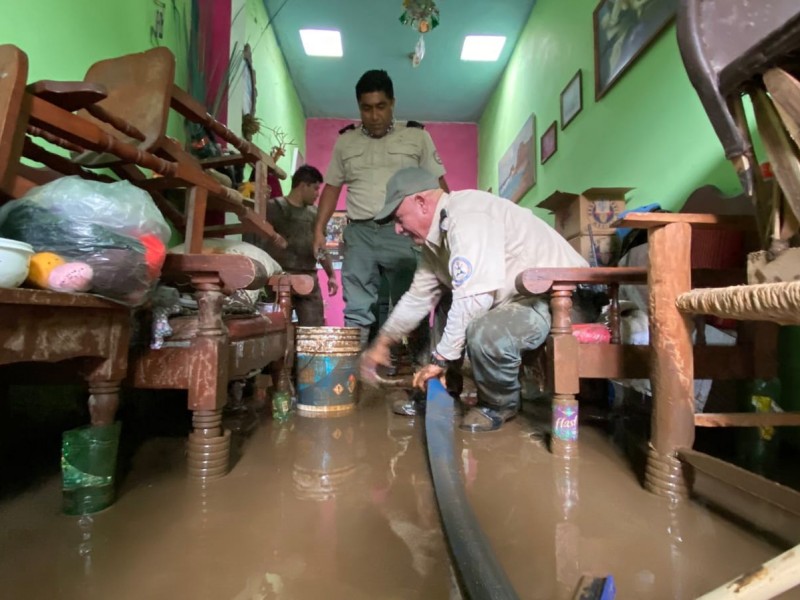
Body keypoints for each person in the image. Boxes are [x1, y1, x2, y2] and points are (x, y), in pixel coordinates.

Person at [360, 167, 589, 432]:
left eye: (399, 219)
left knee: (486, 331)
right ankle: (439, 391)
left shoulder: (468, 214)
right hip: (517, 299)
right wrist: (383, 342)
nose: (398, 230)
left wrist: (440, 360)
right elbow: (417, 298)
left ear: (421, 202)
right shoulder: (434, 243)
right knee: (445, 304)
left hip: (561, 300)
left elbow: (474, 300)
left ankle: (498, 405)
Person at [313, 69, 448, 348]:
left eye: (381, 107)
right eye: (366, 108)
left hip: (403, 232)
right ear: (358, 107)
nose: (374, 116)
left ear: (393, 103)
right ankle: (356, 376)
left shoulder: (416, 137)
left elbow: (439, 185)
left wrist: (451, 226)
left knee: (413, 302)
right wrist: (319, 230)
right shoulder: (346, 142)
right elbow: (332, 187)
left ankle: (417, 373)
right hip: (360, 234)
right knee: (357, 309)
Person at [265, 164, 338, 326]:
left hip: (308, 279)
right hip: (277, 279)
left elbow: (321, 249)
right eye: (315, 189)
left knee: (314, 332)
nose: (318, 194)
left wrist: (331, 275)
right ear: (303, 185)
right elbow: (256, 242)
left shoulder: (316, 215)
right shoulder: (272, 208)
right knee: (275, 329)